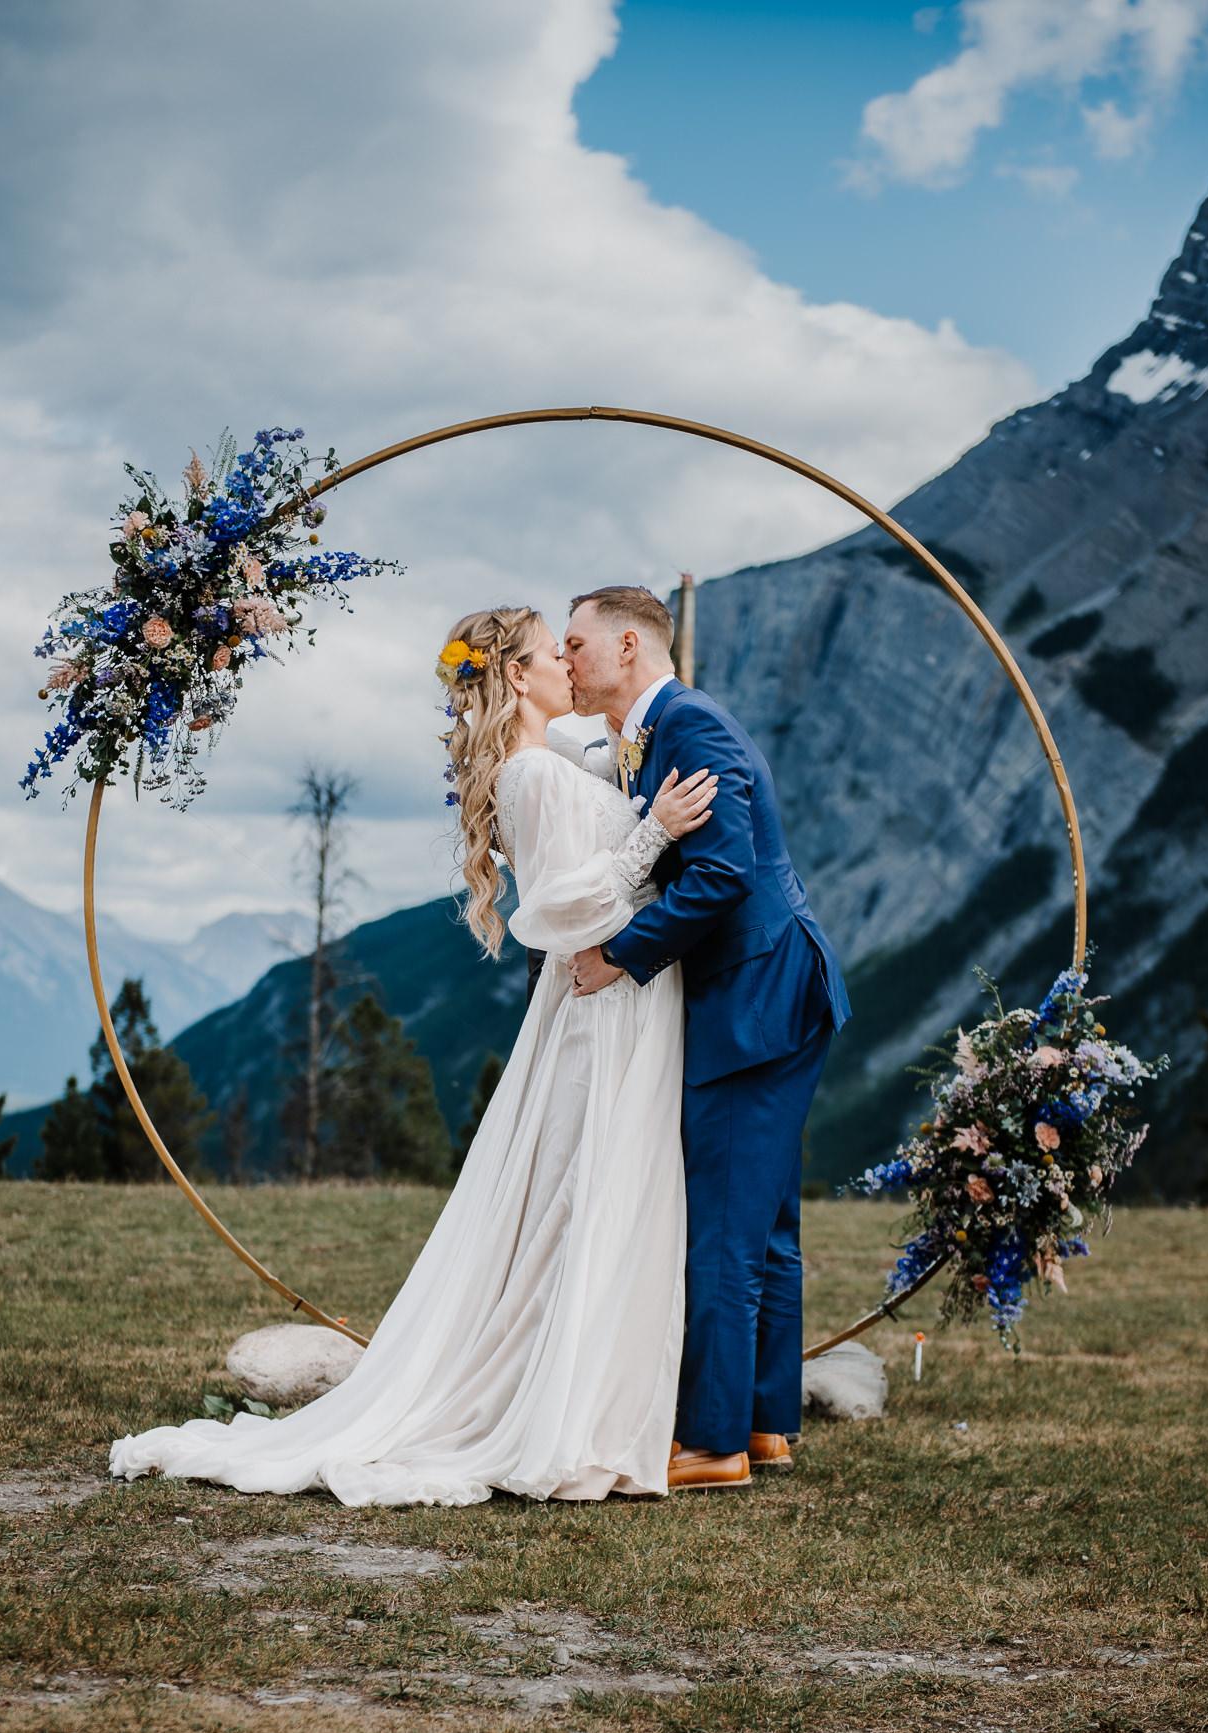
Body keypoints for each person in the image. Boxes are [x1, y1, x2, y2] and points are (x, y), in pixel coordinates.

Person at [108, 606, 717, 1506]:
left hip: (611, 999)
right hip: (603, 1003)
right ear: (517, 676)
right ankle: (564, 1410)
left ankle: (590, 1398)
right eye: (555, 652)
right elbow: (559, 907)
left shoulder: (544, 768)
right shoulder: (534, 776)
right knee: (587, 1193)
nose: (566, 665)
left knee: (590, 1195)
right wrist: (654, 833)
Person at [565, 586, 850, 1491]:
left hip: (755, 995)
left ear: (627, 646)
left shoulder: (690, 727)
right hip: (770, 987)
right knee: (764, 1221)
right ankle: (766, 1424)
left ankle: (713, 1441)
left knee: (724, 1218)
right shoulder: (653, 733)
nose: (566, 660)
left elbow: (724, 872)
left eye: (575, 644)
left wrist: (619, 953)